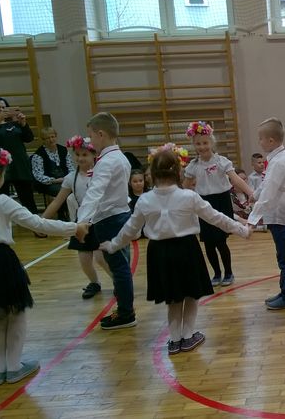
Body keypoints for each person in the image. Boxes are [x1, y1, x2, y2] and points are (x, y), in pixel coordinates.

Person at [100, 148, 250, 355]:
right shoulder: (188, 196)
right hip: (186, 249)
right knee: (191, 294)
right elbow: (216, 217)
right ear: (179, 172)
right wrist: (242, 230)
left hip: (159, 253)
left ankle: (174, 339)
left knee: (173, 297)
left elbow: (129, 230)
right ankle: (187, 336)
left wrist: (112, 245)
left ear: (152, 173)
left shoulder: (145, 200)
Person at [0, 146, 88, 384]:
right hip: (1, 261)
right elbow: (38, 223)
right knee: (15, 312)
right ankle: (13, 366)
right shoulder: (2, 201)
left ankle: (0, 368)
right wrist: (74, 227)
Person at [77, 112, 137, 330]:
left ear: (101, 134)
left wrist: (82, 221)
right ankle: (124, 309)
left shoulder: (107, 161)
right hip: (119, 215)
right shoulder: (119, 157)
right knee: (120, 265)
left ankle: (126, 313)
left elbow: (95, 193)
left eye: (91, 136)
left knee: (119, 267)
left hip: (110, 219)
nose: (90, 141)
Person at [183, 121, 253, 287]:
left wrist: (251, 193)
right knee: (208, 243)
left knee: (221, 241)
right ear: (194, 145)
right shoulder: (193, 166)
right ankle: (216, 273)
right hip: (203, 203)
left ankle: (228, 272)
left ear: (212, 143)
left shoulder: (222, 161)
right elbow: (185, 186)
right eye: (198, 144)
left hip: (221, 201)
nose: (202, 147)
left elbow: (235, 179)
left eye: (205, 143)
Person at [41, 135, 110, 299]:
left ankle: (118, 281)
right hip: (82, 222)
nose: (80, 158)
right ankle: (94, 283)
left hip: (101, 220)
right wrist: (41, 221)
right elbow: (57, 202)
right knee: (84, 259)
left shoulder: (101, 174)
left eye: (84, 154)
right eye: (77, 154)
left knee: (101, 257)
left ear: (94, 155)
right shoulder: (71, 178)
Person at [247, 118, 285, 310]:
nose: (259, 142)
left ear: (271, 140)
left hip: (282, 218)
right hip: (278, 217)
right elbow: (266, 185)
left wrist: (252, 220)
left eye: (260, 138)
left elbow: (269, 193)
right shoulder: (276, 160)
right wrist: (255, 195)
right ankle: (284, 291)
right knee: (282, 258)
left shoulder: (279, 162)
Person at [0, 98, 36, 213]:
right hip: (2, 167)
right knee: (2, 201)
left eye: (3, 107)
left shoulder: (16, 124)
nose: (1, 110)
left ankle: (34, 223)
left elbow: (29, 138)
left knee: (28, 200)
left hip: (20, 166)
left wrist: (23, 124)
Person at [30, 127, 75, 218]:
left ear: (56, 136)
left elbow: (71, 168)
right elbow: (38, 175)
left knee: (75, 187)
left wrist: (68, 178)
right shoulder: (38, 155)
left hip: (64, 179)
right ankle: (63, 215)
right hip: (48, 183)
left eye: (52, 137)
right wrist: (54, 180)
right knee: (62, 191)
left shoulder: (63, 150)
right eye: (47, 138)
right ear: (43, 140)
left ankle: (72, 214)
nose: (51, 140)